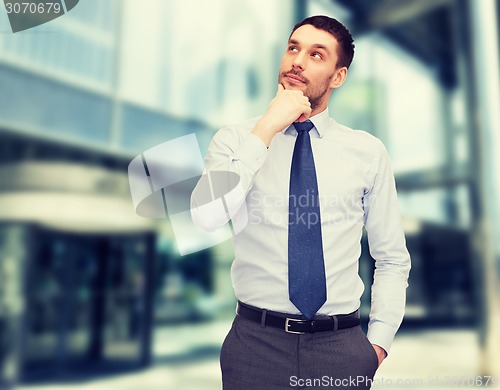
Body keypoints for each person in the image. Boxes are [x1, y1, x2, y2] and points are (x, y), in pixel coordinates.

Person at [191, 15, 411, 390]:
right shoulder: (235, 140)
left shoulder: (367, 152)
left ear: (338, 76)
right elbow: (206, 218)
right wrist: (266, 129)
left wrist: (377, 346)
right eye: (293, 48)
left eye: (316, 54)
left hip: (340, 347)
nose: (297, 60)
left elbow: (391, 257)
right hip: (255, 346)